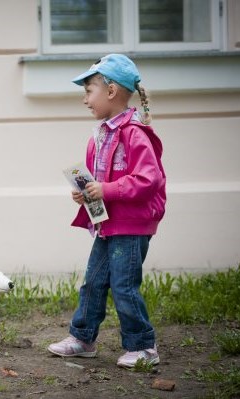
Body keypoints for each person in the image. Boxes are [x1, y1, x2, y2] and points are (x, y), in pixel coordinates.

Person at [47, 54, 167, 368]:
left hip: (131, 225)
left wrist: (107, 190)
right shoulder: (102, 135)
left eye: (89, 91)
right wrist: (86, 194)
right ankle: (83, 338)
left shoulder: (134, 133)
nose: (85, 99)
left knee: (124, 285)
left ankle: (143, 346)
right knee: (93, 282)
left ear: (111, 91)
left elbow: (149, 178)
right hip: (108, 224)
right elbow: (101, 180)